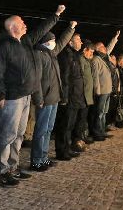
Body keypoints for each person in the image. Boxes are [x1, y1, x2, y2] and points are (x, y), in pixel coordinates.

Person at [0, 5, 65, 186]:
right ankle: (2, 170)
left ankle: (13, 167)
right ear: (13, 27)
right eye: (21, 23)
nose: (25, 25)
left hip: (26, 96)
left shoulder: (26, 43)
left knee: (19, 134)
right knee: (8, 134)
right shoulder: (5, 46)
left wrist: (56, 15)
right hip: (12, 97)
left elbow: (41, 30)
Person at [30, 21, 76, 171]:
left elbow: (63, 42)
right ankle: (36, 160)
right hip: (45, 99)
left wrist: (71, 28)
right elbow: (36, 79)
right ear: (45, 41)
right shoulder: (38, 54)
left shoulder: (51, 53)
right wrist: (39, 99)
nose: (55, 42)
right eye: (52, 40)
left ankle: (44, 157)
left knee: (49, 129)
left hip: (54, 97)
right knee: (41, 130)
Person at [54, 32, 86, 160]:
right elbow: (65, 78)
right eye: (78, 40)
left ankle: (67, 148)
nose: (81, 42)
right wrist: (65, 97)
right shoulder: (66, 55)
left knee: (71, 125)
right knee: (65, 125)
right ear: (70, 42)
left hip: (76, 96)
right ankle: (61, 151)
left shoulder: (75, 55)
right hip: (70, 97)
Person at [89, 31, 119, 142]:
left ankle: (102, 131)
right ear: (97, 49)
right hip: (101, 90)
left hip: (107, 90)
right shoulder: (96, 59)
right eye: (102, 46)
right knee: (99, 113)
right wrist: (97, 89)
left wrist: (115, 38)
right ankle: (97, 133)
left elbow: (109, 47)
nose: (104, 48)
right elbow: (95, 76)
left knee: (104, 112)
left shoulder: (104, 58)